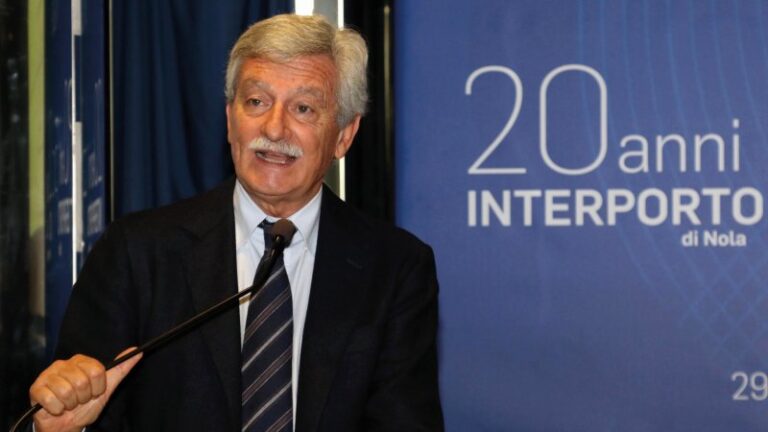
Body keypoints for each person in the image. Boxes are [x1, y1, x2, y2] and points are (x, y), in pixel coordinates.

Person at [28, 13, 443, 432]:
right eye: (256, 102)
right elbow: (75, 408)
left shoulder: (395, 269)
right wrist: (66, 429)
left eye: (303, 108)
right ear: (230, 120)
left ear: (343, 136)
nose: (274, 129)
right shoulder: (136, 253)